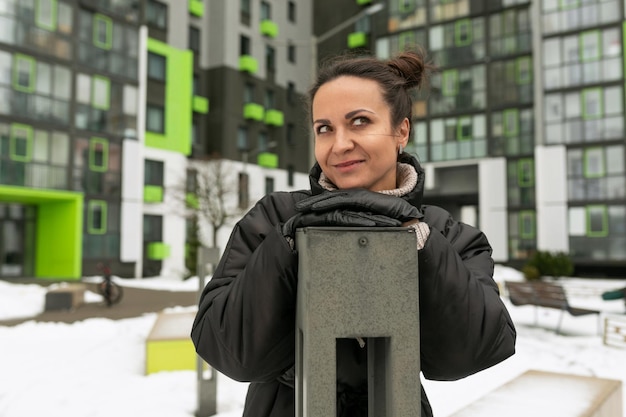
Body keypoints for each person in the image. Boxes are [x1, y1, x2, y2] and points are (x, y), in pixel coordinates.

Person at [191, 49, 516, 417]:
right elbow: (228, 351)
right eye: (324, 128)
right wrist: (289, 246)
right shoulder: (274, 218)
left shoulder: (446, 234)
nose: (339, 144)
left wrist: (417, 241)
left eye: (359, 121)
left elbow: (474, 351)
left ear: (401, 131)